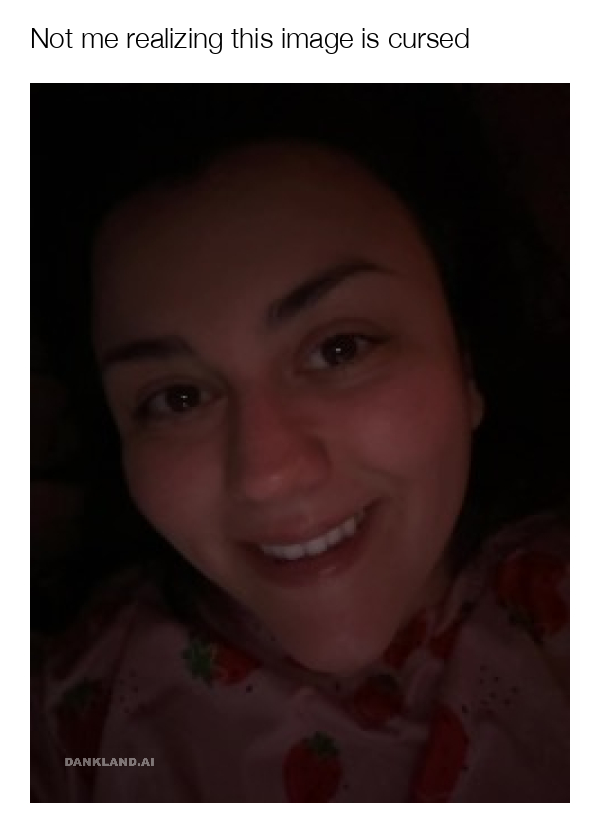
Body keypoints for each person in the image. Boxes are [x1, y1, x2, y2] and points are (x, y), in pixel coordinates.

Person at [31, 86, 568, 802]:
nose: (268, 473)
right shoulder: (67, 730)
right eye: (178, 398)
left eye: (340, 349)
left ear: (464, 363)